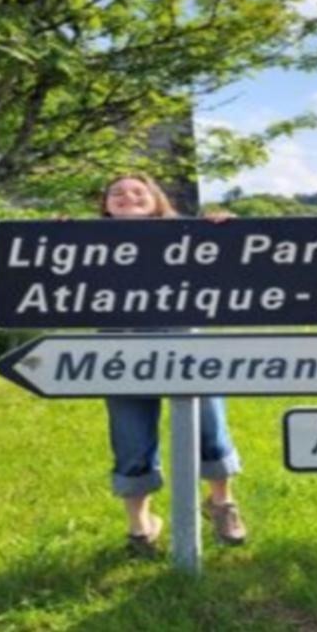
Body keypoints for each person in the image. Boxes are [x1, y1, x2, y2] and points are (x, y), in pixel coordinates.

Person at [100, 173, 247, 554]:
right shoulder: (86, 242)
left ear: (156, 199)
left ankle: (221, 504)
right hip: (119, 355)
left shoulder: (188, 236)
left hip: (187, 349)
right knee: (131, 440)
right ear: (106, 205)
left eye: (138, 191)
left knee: (210, 427)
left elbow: (230, 273)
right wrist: (52, 234)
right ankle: (141, 527)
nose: (127, 197)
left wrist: (223, 233)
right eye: (116, 193)